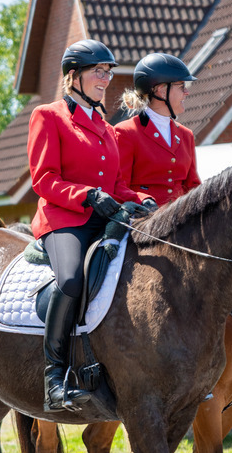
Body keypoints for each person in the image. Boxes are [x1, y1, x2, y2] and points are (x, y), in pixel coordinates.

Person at [27, 39, 150, 412]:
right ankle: (54, 376)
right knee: (70, 281)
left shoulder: (106, 127)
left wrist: (139, 198)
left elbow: (116, 186)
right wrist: (88, 195)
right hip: (64, 219)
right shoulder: (47, 116)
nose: (106, 79)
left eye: (108, 73)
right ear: (73, 76)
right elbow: (43, 179)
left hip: (104, 220)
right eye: (98, 71)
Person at [114, 53, 201, 205]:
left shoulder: (186, 135)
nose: (186, 92)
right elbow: (119, 186)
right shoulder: (126, 132)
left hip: (182, 221)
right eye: (181, 87)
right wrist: (143, 200)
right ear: (161, 90)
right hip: (143, 220)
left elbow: (193, 187)